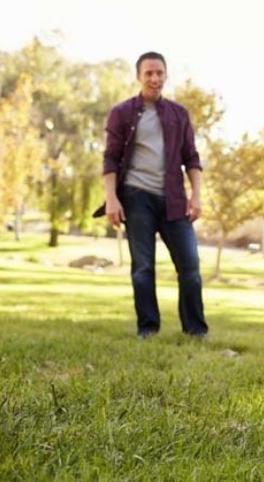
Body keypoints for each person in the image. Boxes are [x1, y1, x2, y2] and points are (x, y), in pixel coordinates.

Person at [101, 51, 209, 339]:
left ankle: (195, 330)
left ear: (166, 75)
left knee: (190, 266)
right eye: (148, 73)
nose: (154, 78)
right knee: (143, 266)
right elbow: (110, 159)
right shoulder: (121, 113)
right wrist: (112, 198)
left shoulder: (179, 114)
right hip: (137, 197)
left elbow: (192, 159)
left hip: (174, 198)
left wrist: (196, 196)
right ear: (139, 76)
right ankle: (148, 329)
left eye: (159, 72)